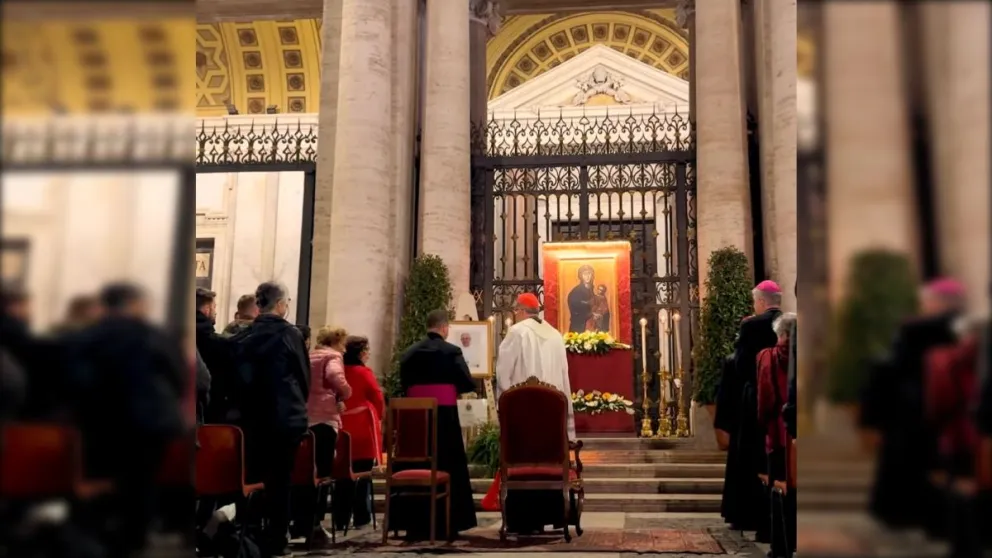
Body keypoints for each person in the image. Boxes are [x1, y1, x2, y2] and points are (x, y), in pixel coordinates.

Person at [71, 282, 186, 557]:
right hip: (149, 423)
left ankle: (102, 540)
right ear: (133, 303)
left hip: (101, 425)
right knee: (141, 485)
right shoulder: (153, 336)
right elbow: (177, 376)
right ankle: (134, 541)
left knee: (103, 483)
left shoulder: (87, 336)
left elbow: (74, 380)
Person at [861, 277, 963, 533]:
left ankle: (910, 516)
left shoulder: (915, 330)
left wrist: (873, 415)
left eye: (927, 301)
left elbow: (893, 368)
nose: (925, 306)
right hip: (954, 411)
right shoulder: (965, 328)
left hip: (911, 409)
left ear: (937, 301)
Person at [237, 282, 310, 557]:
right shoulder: (290, 334)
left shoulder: (246, 335)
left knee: (256, 477)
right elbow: (303, 377)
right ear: (280, 305)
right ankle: (277, 539)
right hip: (285, 418)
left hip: (254, 419)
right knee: (281, 480)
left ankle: (252, 536)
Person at [394, 310, 478, 539]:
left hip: (416, 421)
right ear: (444, 328)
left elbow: (404, 383)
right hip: (445, 418)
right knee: (447, 464)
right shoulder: (452, 351)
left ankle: (414, 524)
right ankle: (448, 523)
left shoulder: (409, 353)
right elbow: (468, 382)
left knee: (419, 463)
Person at [716, 280, 782, 541]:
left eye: (756, 301)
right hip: (784, 401)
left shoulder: (751, 325)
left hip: (754, 399)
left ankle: (746, 513)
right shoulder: (792, 322)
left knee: (750, 456)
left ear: (762, 302)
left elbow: (742, 365)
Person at [497, 293, 576, 440]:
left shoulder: (517, 332)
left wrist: (506, 402)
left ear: (521, 310)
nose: (516, 315)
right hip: (553, 406)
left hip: (524, 404)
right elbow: (564, 373)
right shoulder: (555, 335)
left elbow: (504, 371)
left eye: (516, 311)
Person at [757, 313, 797, 558]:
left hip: (778, 430)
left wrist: (763, 423)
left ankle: (781, 544)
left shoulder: (768, 357)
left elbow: (766, 397)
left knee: (779, 488)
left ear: (780, 334)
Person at [335, 335, 385, 531]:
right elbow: (377, 396)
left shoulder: (339, 371)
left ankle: (340, 519)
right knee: (362, 476)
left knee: (342, 477)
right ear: (362, 353)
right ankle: (361, 517)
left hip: (341, 428)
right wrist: (379, 416)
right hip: (362, 430)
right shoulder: (364, 372)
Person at [195, 288, 235, 423]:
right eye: (214, 307)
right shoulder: (216, 342)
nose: (216, 311)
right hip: (209, 410)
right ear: (206, 309)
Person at [566, 265, 596, 333]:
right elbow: (576, 310)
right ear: (580, 276)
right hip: (579, 327)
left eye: (589, 273)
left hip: (590, 325)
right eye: (585, 274)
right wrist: (591, 313)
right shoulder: (576, 291)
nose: (587, 276)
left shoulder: (591, 289)